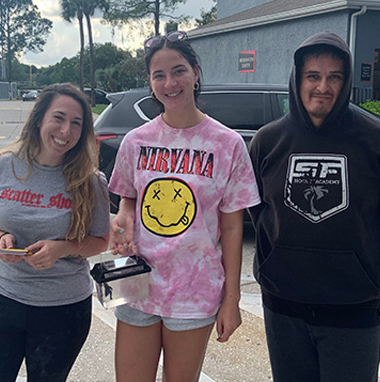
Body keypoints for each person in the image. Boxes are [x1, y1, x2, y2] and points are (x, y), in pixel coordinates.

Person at [109, 30, 261, 382]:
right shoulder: (136, 141)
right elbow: (127, 200)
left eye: (178, 71)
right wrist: (124, 217)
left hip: (195, 288)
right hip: (134, 280)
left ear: (195, 72)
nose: (169, 82)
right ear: (149, 82)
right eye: (158, 75)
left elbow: (233, 227)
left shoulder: (227, 144)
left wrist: (231, 299)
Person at [249, 31, 380, 382]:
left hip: (354, 309)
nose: (323, 86)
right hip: (283, 307)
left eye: (334, 77)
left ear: (346, 80)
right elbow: (259, 212)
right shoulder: (268, 141)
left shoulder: (373, 139)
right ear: (297, 78)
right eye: (313, 76)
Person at [0, 83, 110, 382]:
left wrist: (62, 248)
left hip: (63, 310)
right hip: (5, 298)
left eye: (77, 123)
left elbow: (102, 241)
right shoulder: (5, 166)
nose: (66, 130)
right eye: (58, 118)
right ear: (38, 120)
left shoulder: (92, 182)